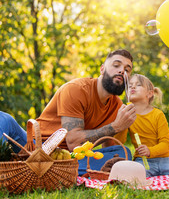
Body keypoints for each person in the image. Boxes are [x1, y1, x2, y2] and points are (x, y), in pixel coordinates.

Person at [0, 49, 137, 175]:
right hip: (37, 148)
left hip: (71, 158)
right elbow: (73, 141)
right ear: (102, 69)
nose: (122, 71)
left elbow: (109, 147)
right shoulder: (76, 89)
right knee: (4, 119)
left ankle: (53, 171)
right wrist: (115, 126)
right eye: (116, 65)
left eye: (127, 69)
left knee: (123, 154)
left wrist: (120, 137)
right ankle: (54, 170)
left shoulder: (118, 106)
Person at [117, 74, 169, 177]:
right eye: (130, 85)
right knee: (132, 177)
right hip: (143, 160)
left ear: (150, 93)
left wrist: (150, 151)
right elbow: (120, 141)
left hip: (165, 159)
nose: (132, 87)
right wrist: (120, 123)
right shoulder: (127, 114)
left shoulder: (158, 115)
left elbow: (166, 144)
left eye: (138, 85)